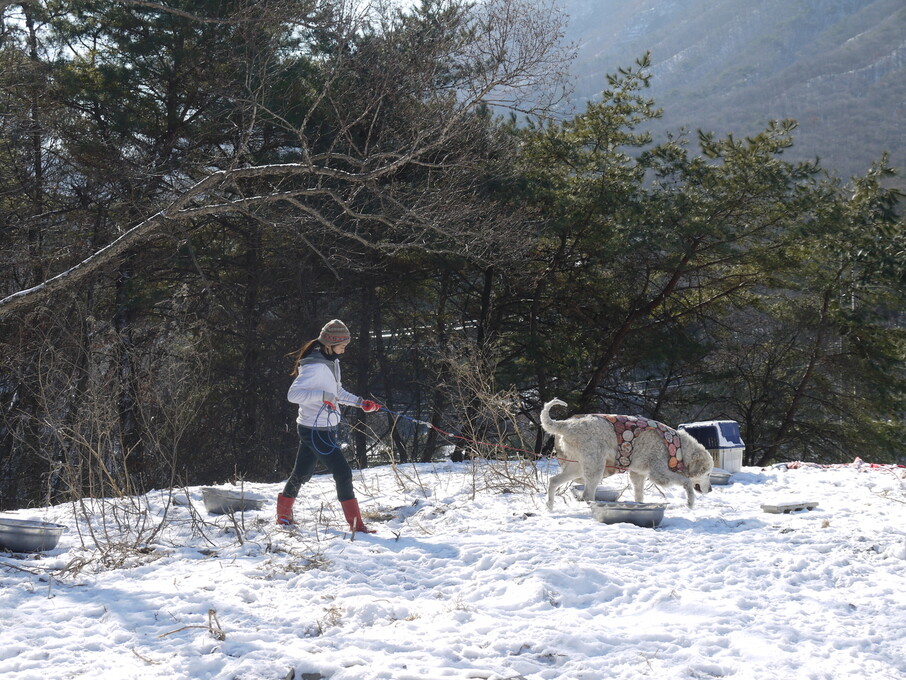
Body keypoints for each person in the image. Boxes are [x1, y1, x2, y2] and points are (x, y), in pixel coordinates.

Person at [278, 319, 381, 533]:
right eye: (342, 346)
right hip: (314, 430)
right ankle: (356, 525)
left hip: (322, 429)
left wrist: (361, 403)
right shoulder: (314, 366)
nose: (343, 351)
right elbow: (293, 395)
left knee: (301, 474)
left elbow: (337, 393)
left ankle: (283, 517)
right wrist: (322, 396)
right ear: (329, 344)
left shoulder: (332, 362)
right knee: (343, 473)